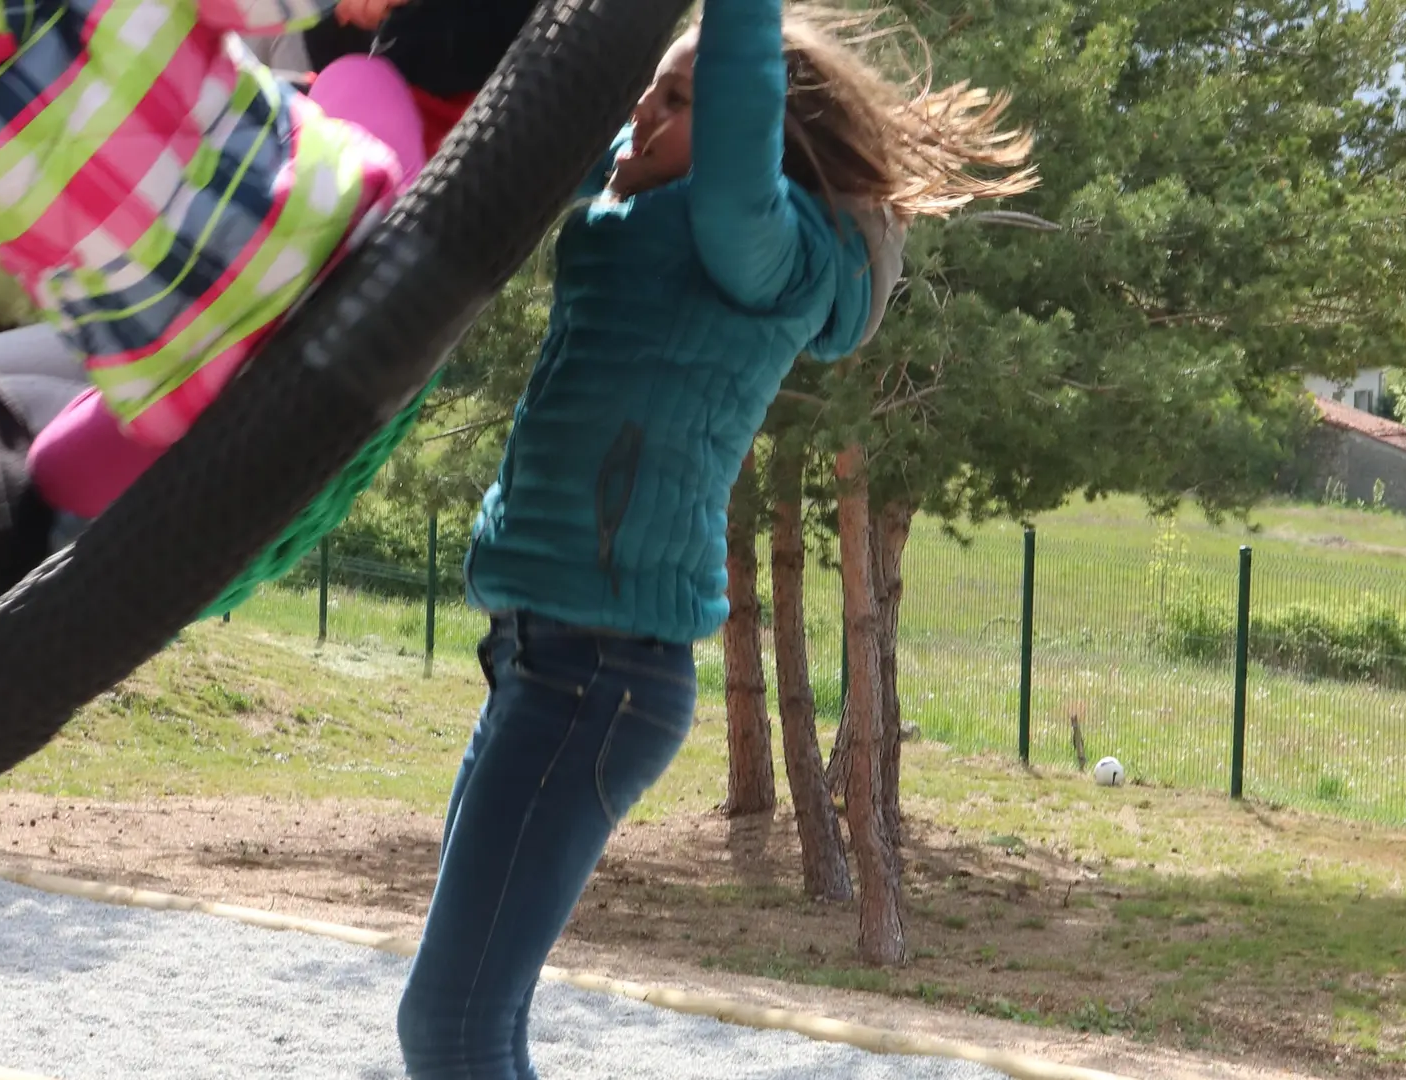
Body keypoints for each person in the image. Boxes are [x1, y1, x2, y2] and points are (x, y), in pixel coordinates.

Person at [390, 1, 1036, 1076]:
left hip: (596, 674)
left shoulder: (758, 245)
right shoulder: (650, 201)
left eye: (680, 95)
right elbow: (539, 107)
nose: (644, 108)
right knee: (474, 1027)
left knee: (450, 1030)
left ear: (755, 130)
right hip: (542, 658)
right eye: (653, 85)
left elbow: (732, 153)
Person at [0, 0, 528, 711]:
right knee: (360, 79)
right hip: (348, 242)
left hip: (193, 386)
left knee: (47, 482)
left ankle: (61, 617)